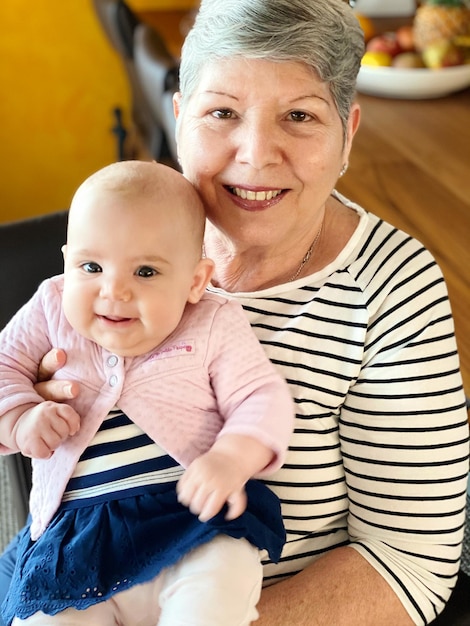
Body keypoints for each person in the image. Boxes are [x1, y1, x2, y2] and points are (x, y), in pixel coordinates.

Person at [1, 0, 469, 624]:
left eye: (299, 116)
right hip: (71, 563)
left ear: (348, 133)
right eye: (222, 112)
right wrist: (27, 409)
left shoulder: (389, 289)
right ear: (177, 118)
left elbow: (410, 562)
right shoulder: (119, 236)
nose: (255, 154)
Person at [0, 160, 295, 625]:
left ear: (196, 281)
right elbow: (3, 366)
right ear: (65, 263)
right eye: (91, 266)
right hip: (76, 544)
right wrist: (19, 419)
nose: (113, 290)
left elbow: (262, 397)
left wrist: (232, 458)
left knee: (218, 585)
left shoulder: (213, 322)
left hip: (189, 522)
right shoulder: (51, 306)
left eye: (146, 272)